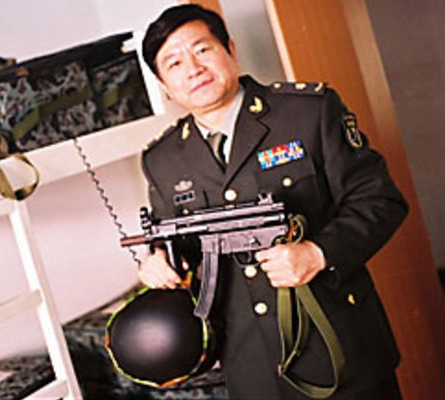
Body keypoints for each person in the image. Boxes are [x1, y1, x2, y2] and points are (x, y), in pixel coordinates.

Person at [137, 4, 408, 400]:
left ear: (230, 50)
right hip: (253, 369)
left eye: (202, 50)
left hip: (340, 349)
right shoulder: (162, 160)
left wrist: (317, 253)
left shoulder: (307, 113)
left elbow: (380, 200)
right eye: (174, 63)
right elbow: (178, 243)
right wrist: (158, 262)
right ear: (164, 84)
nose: (193, 69)